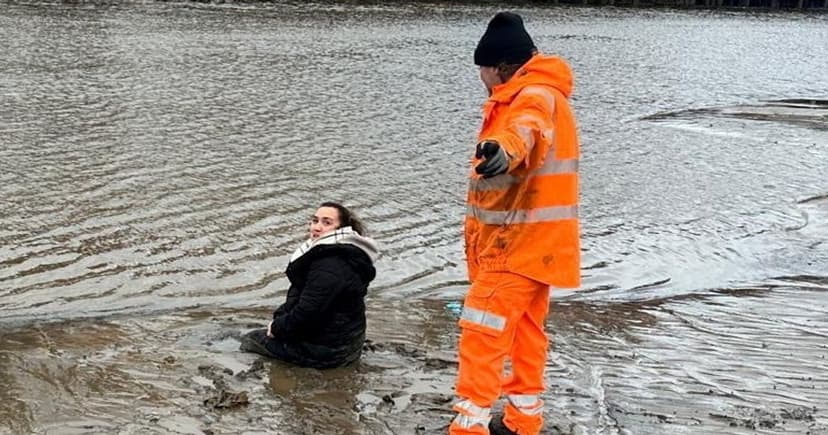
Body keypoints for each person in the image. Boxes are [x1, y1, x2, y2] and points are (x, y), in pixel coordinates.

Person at [450, 12, 581, 435]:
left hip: (512, 245)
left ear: (500, 66)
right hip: (537, 247)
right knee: (526, 334)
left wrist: (501, 150)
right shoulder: (541, 93)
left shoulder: (531, 96)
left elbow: (525, 133)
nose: (481, 79)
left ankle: (468, 428)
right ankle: (523, 421)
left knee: (481, 333)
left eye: (482, 70)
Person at [239, 202, 379, 369]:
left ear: (343, 228)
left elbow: (308, 311)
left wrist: (277, 328)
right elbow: (302, 297)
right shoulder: (344, 253)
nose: (317, 227)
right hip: (347, 341)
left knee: (249, 340)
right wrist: (280, 318)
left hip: (331, 354)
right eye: (315, 221)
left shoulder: (330, 264)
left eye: (326, 223)